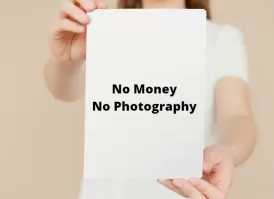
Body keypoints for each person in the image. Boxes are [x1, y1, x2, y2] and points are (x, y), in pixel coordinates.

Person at [44, 0, 258, 198]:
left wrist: (228, 151)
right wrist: (65, 60)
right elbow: (64, 91)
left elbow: (237, 116)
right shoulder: (103, 29)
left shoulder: (220, 38)